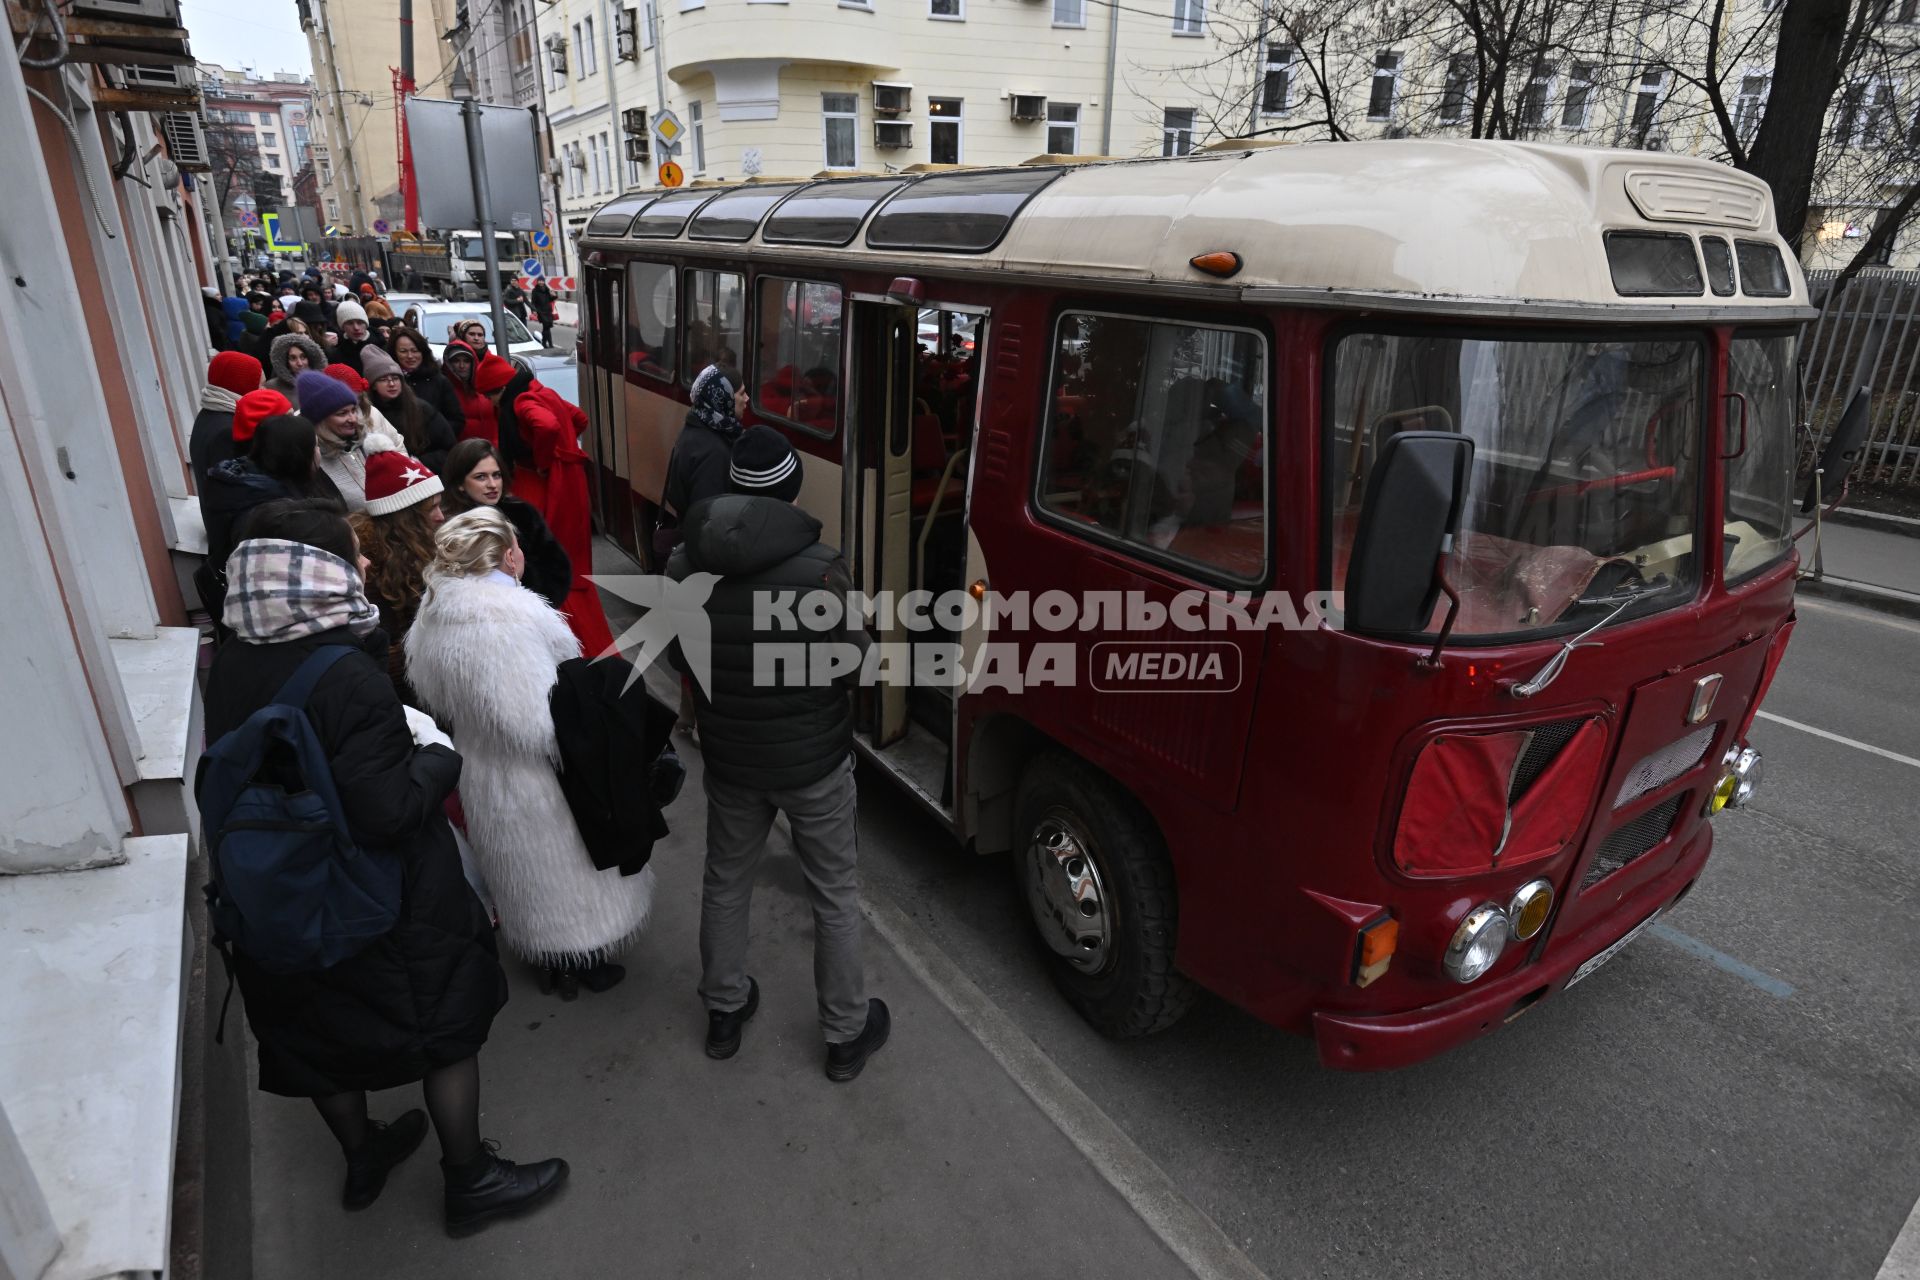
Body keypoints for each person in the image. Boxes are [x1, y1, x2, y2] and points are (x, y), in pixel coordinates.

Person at [203, 497, 566, 1230]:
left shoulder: (234, 653)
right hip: (378, 899)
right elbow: (390, 810)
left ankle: (364, 1156)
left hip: (275, 892)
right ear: (314, 572)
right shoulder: (346, 671)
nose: (365, 562)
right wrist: (438, 756)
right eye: (349, 553)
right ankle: (470, 1179)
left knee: (316, 1034)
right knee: (443, 1027)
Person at [666, 427, 889, 1081]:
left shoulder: (685, 564)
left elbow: (682, 660)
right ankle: (846, 1036)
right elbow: (861, 668)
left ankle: (724, 1013)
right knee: (835, 894)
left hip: (733, 761)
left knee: (725, 882)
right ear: (792, 489)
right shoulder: (819, 567)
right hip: (814, 763)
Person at [404, 506, 652, 999]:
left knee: (523, 872)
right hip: (539, 778)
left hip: (482, 767)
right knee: (568, 870)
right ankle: (584, 956)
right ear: (508, 558)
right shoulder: (507, 620)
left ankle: (550, 961)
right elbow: (535, 721)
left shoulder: (434, 613)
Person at [475, 355, 613, 655]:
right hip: (573, 483)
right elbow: (578, 418)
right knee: (574, 560)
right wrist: (566, 447)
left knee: (552, 559)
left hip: (553, 486)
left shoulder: (522, 401)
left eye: (489, 395)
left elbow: (546, 425)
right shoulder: (542, 391)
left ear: (497, 390)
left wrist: (543, 460)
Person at [348, 451, 446, 701]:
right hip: (402, 692)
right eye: (431, 508)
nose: (441, 516)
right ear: (406, 517)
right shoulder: (370, 565)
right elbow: (384, 651)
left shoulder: (425, 545)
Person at [200, 408, 337, 573]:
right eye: (315, 446)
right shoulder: (272, 515)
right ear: (299, 455)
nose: (318, 452)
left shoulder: (247, 487)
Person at [440, 438, 570, 609]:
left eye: (496, 475)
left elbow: (556, 569)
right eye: (480, 477)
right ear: (460, 484)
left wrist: (532, 605)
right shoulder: (447, 524)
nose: (492, 485)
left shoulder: (522, 513)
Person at [660, 364, 747, 564]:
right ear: (722, 398)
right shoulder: (713, 451)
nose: (746, 399)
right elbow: (709, 519)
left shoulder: (696, 429)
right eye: (741, 393)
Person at [298, 368, 406, 512]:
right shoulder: (312, 462)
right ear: (320, 420)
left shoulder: (368, 444)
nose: (353, 419)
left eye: (353, 410)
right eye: (342, 413)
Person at [363, 346, 457, 475]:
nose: (391, 384)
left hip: (423, 477)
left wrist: (415, 463)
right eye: (383, 379)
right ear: (373, 385)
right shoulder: (368, 414)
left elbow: (449, 449)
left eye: (395, 378)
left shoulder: (421, 409)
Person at [192, 351, 264, 484]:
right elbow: (235, 488)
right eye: (259, 385)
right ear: (242, 386)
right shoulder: (227, 430)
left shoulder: (211, 413)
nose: (263, 390)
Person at [391, 326, 466, 430]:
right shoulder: (390, 382)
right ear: (394, 353)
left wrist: (435, 433)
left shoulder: (439, 381)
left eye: (415, 350)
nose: (410, 356)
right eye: (403, 351)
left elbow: (457, 420)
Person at [440, 340, 496, 443]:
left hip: (490, 450)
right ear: (449, 363)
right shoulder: (443, 390)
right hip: (462, 452)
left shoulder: (485, 385)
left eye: (466, 361)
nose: (462, 365)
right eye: (456, 361)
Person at [266, 331, 328, 400]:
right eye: (293, 358)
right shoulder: (272, 388)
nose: (300, 363)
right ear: (286, 362)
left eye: (303, 357)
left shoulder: (322, 384)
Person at [331, 300, 375, 374]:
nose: (356, 328)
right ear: (342, 327)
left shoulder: (380, 345)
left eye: (360, 322)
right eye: (350, 323)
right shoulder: (336, 352)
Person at [530, 280, 556, 348]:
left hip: (548, 311)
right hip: (540, 311)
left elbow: (550, 299)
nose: (541, 282)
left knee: (547, 327)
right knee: (547, 326)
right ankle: (550, 344)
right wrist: (533, 310)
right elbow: (533, 302)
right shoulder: (535, 290)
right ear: (537, 282)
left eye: (542, 281)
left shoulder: (547, 289)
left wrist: (554, 295)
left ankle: (544, 343)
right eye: (539, 281)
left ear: (544, 282)